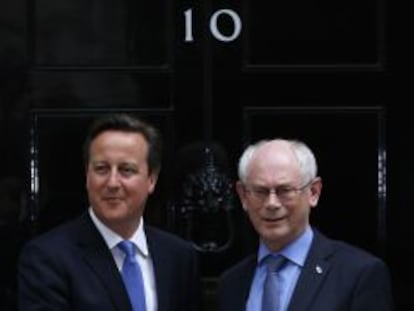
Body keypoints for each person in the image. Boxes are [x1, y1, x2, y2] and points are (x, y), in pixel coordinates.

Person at [18, 113, 200, 311]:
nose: (112, 183)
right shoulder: (47, 258)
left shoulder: (179, 257)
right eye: (102, 169)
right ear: (87, 176)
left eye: (126, 170)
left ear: (151, 180)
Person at [218, 138, 393, 311]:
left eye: (285, 190)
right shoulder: (232, 283)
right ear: (243, 196)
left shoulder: (358, 275)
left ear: (314, 192)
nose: (272, 203)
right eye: (260, 191)